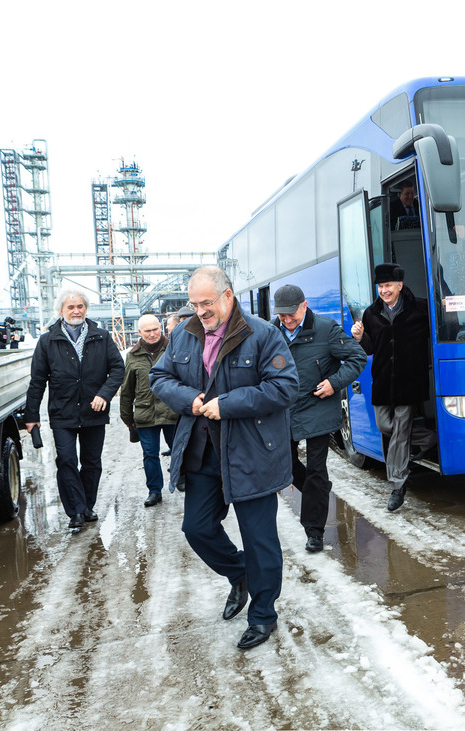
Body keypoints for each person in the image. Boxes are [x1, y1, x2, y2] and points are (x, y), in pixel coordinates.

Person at [149, 266, 297, 650]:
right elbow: (160, 378)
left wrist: (226, 404)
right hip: (202, 453)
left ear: (228, 296)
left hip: (251, 454)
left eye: (207, 303)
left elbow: (284, 387)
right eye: (194, 304)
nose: (200, 311)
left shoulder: (263, 334)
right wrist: (189, 399)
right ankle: (241, 574)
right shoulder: (183, 334)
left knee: (259, 538)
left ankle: (263, 615)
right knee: (196, 529)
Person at [271, 284, 366, 553]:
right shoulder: (270, 331)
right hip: (284, 409)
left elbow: (357, 358)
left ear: (304, 305)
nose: (287, 321)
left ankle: (314, 531)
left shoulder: (326, 329)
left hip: (317, 406)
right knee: (285, 466)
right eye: (282, 316)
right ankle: (320, 490)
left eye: (291, 314)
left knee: (315, 469)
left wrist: (334, 384)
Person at [24, 288, 124, 532]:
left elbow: (118, 369)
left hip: (93, 411)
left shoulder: (101, 336)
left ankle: (87, 506)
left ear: (86, 309)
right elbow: (37, 380)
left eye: (80, 306)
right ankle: (75, 511)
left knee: (91, 462)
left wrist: (104, 394)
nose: (76, 311)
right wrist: (31, 416)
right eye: (71, 307)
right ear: (61, 311)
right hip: (62, 412)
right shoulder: (48, 341)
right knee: (67, 460)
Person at [350, 264, 435, 512]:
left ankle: (398, 485)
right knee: (384, 426)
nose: (384, 290)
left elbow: (437, 334)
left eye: (388, 285)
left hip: (410, 381)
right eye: (380, 286)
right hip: (384, 382)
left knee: (399, 432)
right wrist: (359, 337)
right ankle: (430, 438)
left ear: (399, 285)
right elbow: (369, 349)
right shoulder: (371, 313)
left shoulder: (420, 307)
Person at [119, 314, 178, 508]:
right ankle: (155, 491)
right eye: (148, 331)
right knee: (150, 454)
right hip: (145, 414)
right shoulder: (133, 356)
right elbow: (127, 389)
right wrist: (127, 417)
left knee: (179, 449)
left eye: (155, 329)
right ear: (139, 333)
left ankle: (183, 478)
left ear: (160, 328)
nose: (153, 334)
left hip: (172, 411)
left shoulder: (173, 348)